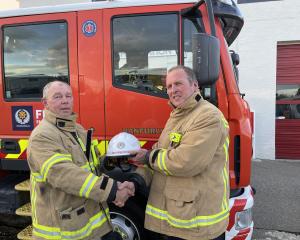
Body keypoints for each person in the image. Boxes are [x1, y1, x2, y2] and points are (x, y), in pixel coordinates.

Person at [27, 81, 135, 240]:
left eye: (68, 96)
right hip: (62, 232)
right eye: (57, 97)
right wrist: (113, 191)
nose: (65, 100)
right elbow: (65, 175)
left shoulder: (77, 129)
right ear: (45, 103)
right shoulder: (42, 136)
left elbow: (91, 165)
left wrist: (112, 161)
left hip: (90, 226)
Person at [132, 65, 230, 240]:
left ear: (195, 85)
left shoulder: (207, 116)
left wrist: (147, 157)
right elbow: (159, 152)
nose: (173, 90)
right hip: (179, 220)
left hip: (197, 227)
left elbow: (185, 162)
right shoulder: (178, 115)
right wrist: (135, 182)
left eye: (178, 84)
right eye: (169, 86)